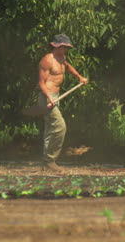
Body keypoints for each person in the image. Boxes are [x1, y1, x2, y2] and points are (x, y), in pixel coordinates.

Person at [38, 34, 88, 171]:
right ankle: (50, 160)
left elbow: (67, 67)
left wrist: (80, 77)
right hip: (46, 97)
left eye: (67, 47)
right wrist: (49, 97)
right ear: (57, 46)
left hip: (56, 96)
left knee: (50, 130)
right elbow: (41, 83)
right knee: (60, 127)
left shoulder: (62, 58)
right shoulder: (47, 60)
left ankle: (46, 163)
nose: (66, 49)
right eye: (64, 47)